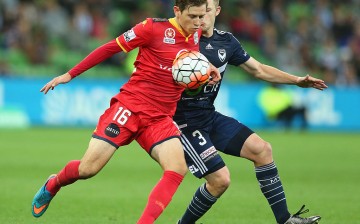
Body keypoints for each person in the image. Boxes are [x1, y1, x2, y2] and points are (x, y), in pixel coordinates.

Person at [31, 1, 221, 223]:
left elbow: (188, 67)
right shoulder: (151, 28)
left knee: (177, 168)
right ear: (177, 11)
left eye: (201, 17)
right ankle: (54, 183)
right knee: (88, 169)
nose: (198, 23)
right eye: (193, 17)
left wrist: (206, 69)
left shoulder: (195, 35)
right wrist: (70, 75)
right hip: (129, 108)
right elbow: (110, 47)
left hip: (159, 117)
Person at [174, 0, 327, 223]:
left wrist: (296, 81)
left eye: (206, 11)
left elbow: (259, 69)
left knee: (262, 149)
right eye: (196, 13)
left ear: (216, 11)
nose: (201, 17)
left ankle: (285, 220)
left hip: (208, 115)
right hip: (183, 122)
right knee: (219, 181)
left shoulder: (226, 42)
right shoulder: (178, 41)